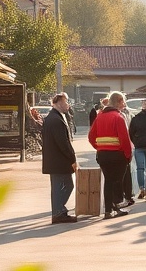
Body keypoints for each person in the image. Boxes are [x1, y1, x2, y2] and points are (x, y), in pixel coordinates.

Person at [88, 91, 133, 219]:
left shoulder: (100, 116)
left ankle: (108, 210)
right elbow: (124, 139)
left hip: (103, 155)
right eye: (123, 101)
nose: (124, 104)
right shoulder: (118, 117)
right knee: (117, 182)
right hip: (117, 156)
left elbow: (91, 136)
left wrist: (99, 147)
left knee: (108, 181)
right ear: (118, 101)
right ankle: (116, 206)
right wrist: (128, 155)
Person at [42, 92, 79, 224]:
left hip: (55, 160)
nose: (67, 105)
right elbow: (63, 143)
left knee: (61, 186)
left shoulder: (54, 117)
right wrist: (72, 158)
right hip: (59, 160)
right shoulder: (56, 119)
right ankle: (58, 213)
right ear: (57, 103)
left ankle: (59, 211)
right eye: (65, 102)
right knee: (64, 186)